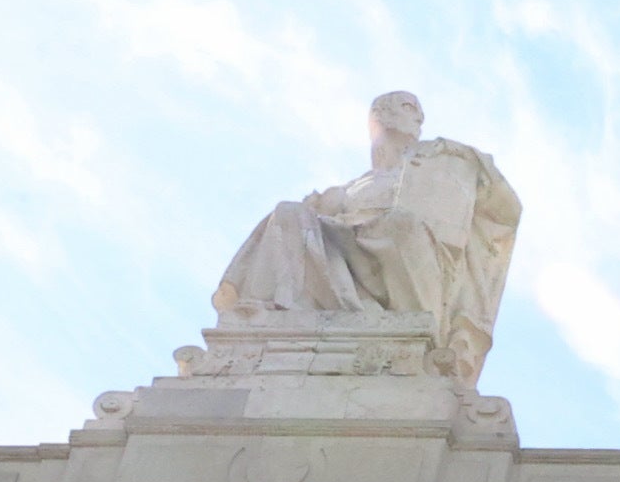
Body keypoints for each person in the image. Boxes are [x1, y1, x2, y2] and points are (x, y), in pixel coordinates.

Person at [215, 91, 523, 379]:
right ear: (381, 114)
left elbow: (506, 210)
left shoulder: (441, 163)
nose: (419, 119)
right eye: (408, 107)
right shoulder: (353, 187)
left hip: (412, 267)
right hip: (351, 253)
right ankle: (260, 312)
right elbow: (317, 217)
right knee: (287, 212)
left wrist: (472, 159)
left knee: (400, 225)